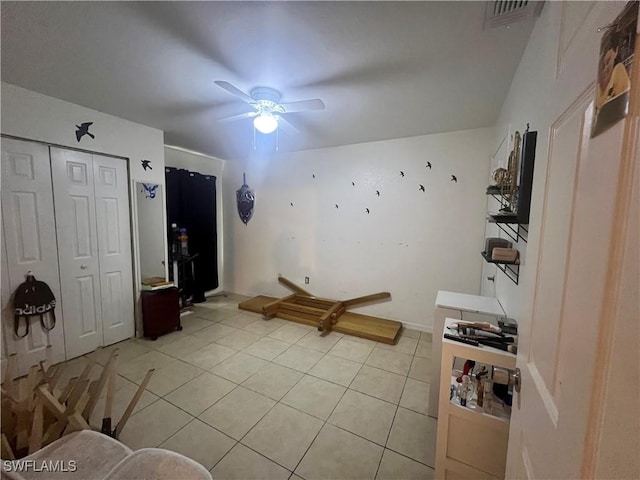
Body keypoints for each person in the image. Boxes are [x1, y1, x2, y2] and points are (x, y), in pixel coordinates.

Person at [595, 45, 631, 114]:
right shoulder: (598, 90)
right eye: (602, 65)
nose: (605, 69)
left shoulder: (618, 71)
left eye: (608, 61)